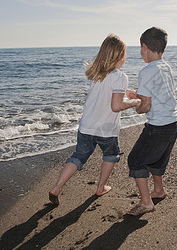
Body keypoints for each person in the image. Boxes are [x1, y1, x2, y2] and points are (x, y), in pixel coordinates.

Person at [49, 34, 141, 205]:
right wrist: (134, 101)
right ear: (120, 56)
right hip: (106, 129)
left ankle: (57, 187)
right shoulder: (120, 76)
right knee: (110, 155)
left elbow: (106, 91)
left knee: (78, 157)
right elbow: (116, 106)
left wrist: (125, 91)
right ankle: (101, 187)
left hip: (86, 127)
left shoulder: (96, 73)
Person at [126, 27, 177, 216]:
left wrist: (135, 103)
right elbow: (160, 93)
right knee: (158, 159)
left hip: (158, 126)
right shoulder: (166, 66)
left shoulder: (146, 71)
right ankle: (158, 190)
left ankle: (146, 203)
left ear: (144, 47)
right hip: (173, 121)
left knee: (136, 160)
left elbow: (145, 107)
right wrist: (139, 95)